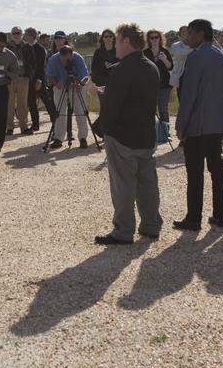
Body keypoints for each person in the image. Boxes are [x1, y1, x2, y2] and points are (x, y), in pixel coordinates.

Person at [92, 23, 162, 245]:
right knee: (147, 183)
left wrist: (101, 128)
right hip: (146, 135)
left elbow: (113, 105)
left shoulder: (122, 69)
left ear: (127, 42)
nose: (115, 45)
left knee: (123, 184)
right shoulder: (152, 67)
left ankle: (123, 231)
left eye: (118, 40)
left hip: (122, 135)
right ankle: (151, 225)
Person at [173, 19, 223, 231]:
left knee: (195, 172)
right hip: (217, 122)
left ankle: (193, 218)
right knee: (217, 169)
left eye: (190, 33)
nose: (187, 37)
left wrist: (181, 124)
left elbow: (189, 95)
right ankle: (221, 214)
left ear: (200, 34)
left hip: (197, 123)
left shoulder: (196, 57)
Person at [45, 42, 91, 148]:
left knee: (81, 111)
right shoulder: (53, 59)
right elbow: (50, 76)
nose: (65, 62)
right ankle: (58, 138)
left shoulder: (78, 58)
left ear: (72, 54)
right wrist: (56, 83)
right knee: (59, 112)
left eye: (68, 59)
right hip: (60, 86)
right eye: (63, 59)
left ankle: (83, 138)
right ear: (59, 55)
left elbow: (85, 76)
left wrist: (81, 84)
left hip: (77, 86)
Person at [5, 27, 33, 135]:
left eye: (18, 32)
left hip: (23, 78)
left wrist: (29, 76)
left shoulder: (28, 47)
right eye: (14, 33)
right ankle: (9, 127)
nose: (16, 34)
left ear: (22, 34)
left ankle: (24, 127)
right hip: (10, 79)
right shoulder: (7, 47)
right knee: (9, 104)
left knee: (23, 104)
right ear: (11, 34)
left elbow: (33, 62)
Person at [20, 27, 48, 131]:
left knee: (46, 101)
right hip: (29, 80)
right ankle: (35, 125)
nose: (24, 36)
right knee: (32, 103)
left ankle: (55, 121)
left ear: (31, 36)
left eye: (25, 34)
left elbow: (41, 66)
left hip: (39, 80)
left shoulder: (40, 49)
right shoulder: (25, 48)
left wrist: (39, 80)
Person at [144, 29, 173, 125]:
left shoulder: (165, 51)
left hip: (164, 85)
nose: (154, 39)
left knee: (163, 109)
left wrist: (164, 59)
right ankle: (151, 130)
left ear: (160, 38)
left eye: (156, 37)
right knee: (149, 110)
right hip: (149, 86)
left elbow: (170, 67)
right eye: (151, 38)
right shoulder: (145, 53)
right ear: (148, 39)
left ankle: (165, 130)